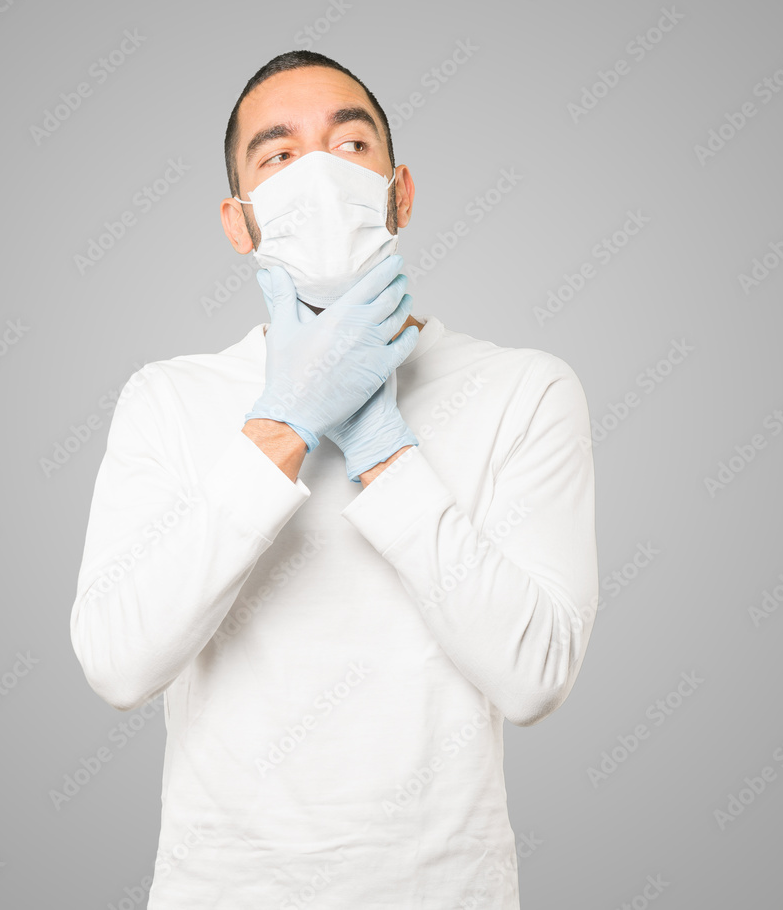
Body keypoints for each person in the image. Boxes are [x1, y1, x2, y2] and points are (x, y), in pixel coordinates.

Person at [70, 50, 599, 909]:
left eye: (351, 145)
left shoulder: (524, 390)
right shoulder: (167, 399)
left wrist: (381, 443)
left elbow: (535, 676)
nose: (317, 175)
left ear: (400, 193)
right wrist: (286, 421)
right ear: (239, 223)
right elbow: (119, 665)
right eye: (278, 156)